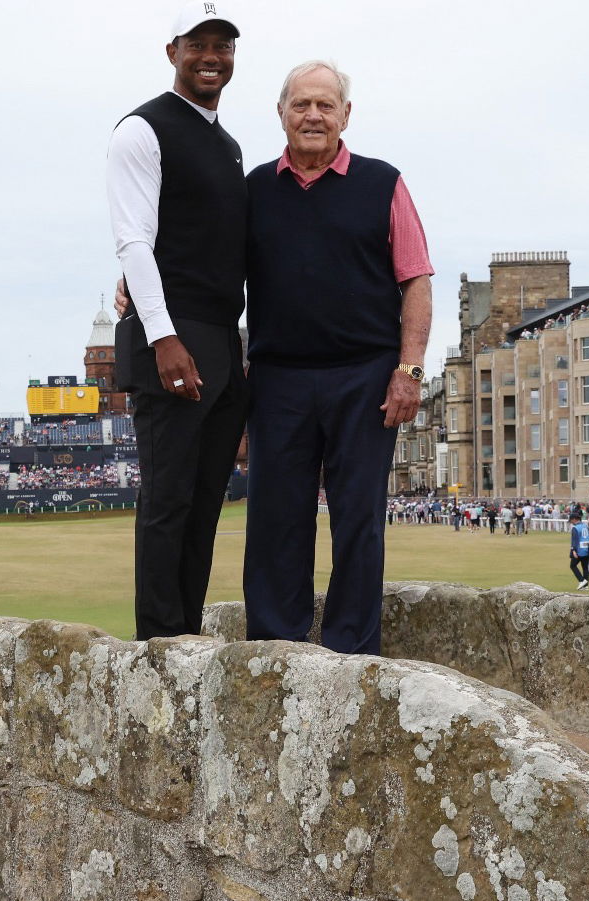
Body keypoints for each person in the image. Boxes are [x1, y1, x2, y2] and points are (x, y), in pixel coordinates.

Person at [240, 60, 434, 655]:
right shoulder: (252, 190)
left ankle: (351, 651)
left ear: (346, 115)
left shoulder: (383, 183)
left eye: (326, 105)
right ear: (281, 113)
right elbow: (209, 269)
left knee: (357, 522)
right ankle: (277, 647)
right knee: (276, 521)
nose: (313, 116)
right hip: (277, 380)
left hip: (366, 378)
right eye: (302, 105)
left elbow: (416, 279)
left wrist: (410, 369)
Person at [107, 2, 250, 641]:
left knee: (202, 507)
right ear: (173, 52)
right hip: (174, 335)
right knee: (167, 501)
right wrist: (163, 336)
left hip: (223, 335)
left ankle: (186, 635)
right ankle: (158, 645)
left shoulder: (228, 145)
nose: (211, 55)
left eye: (222, 44)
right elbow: (134, 242)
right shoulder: (141, 130)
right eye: (198, 43)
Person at [569, 510, 589, 590]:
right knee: (585, 567)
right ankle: (586, 586)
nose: (571, 522)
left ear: (574, 519)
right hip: (587, 549)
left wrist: (573, 550)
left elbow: (574, 541)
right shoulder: (585, 526)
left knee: (572, 565)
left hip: (579, 550)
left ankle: (582, 580)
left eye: (571, 520)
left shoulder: (575, 528)